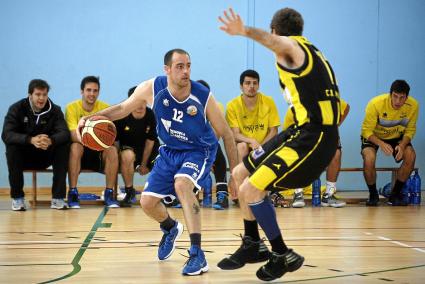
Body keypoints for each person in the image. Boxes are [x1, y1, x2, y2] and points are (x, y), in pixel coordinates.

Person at [75, 49, 238, 276]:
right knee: (147, 202)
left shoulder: (202, 96)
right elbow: (123, 108)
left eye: (188, 66)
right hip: (170, 150)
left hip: (198, 151)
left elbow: (227, 135)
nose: (186, 71)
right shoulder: (152, 88)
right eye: (180, 66)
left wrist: (235, 175)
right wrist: (94, 117)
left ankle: (197, 254)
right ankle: (171, 228)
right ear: (167, 69)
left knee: (182, 184)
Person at [218, 7, 341, 281]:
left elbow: (279, 43)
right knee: (239, 174)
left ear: (274, 30)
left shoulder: (293, 48)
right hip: (299, 130)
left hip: (314, 137)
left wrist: (245, 31)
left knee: (251, 189)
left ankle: (282, 253)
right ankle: (252, 245)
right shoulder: (313, 50)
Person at [2, 79, 70, 211]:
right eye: (38, 94)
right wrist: (30, 140)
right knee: (12, 147)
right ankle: (17, 199)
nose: (42, 98)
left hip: (45, 155)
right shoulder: (16, 108)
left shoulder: (55, 110)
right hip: (24, 157)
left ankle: (58, 198)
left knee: (63, 145)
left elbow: (64, 133)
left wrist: (50, 140)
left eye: (44, 94)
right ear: (30, 95)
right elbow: (6, 134)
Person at [283, 98, 350, 208]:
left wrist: (335, 126)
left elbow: (346, 107)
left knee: (336, 153)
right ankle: (298, 193)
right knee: (295, 151)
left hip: (325, 137)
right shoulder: (295, 107)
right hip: (305, 139)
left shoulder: (329, 100)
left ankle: (329, 195)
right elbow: (288, 133)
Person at [65, 76, 119, 208]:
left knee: (112, 150)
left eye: (95, 91)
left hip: (98, 154)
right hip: (80, 154)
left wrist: (100, 140)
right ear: (81, 91)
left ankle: (109, 193)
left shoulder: (105, 108)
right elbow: (72, 134)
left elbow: (110, 136)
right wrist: (92, 138)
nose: (92, 94)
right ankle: (72, 192)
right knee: (75, 147)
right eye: (88, 90)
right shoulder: (71, 108)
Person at [361, 79, 418, 206]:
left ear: (407, 97)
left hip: (397, 136)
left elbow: (410, 130)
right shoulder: (375, 103)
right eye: (395, 96)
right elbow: (366, 131)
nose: (398, 101)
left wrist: (402, 145)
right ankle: (373, 194)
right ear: (390, 94)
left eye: (402, 98)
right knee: (369, 158)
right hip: (374, 136)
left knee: (411, 156)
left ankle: (395, 195)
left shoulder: (414, 105)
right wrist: (381, 143)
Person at [115, 86, 160, 207]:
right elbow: (115, 141)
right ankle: (130, 192)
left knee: (165, 157)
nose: (140, 106)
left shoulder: (151, 114)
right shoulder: (121, 116)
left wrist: (144, 164)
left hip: (148, 150)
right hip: (128, 151)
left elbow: (150, 141)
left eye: (143, 102)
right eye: (136, 102)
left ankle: (165, 195)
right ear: (130, 102)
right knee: (127, 155)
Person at [226, 69, 280, 163]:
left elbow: (274, 131)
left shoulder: (269, 102)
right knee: (241, 146)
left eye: (255, 83)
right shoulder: (232, 105)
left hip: (264, 145)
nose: (252, 86)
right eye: (247, 83)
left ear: (258, 85)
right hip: (246, 146)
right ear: (241, 86)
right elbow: (235, 134)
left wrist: (260, 148)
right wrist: (251, 141)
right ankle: (242, 176)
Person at [197, 79, 229, 210]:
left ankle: (222, 194)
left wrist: (207, 156)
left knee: (217, 150)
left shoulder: (216, 106)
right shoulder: (187, 107)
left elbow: (217, 133)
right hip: (191, 146)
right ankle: (184, 194)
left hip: (208, 145)